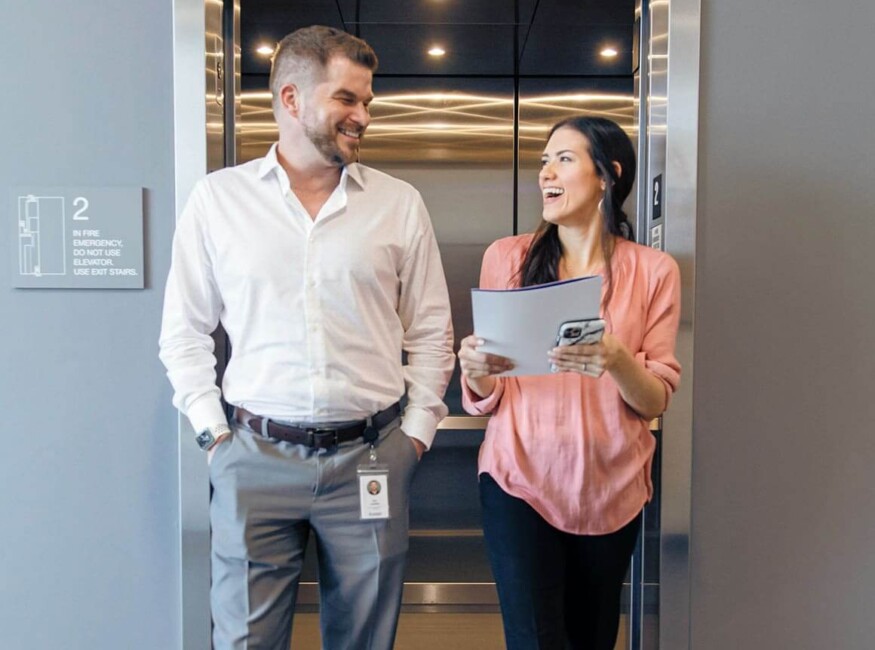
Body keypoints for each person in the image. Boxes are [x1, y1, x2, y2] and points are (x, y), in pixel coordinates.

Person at [159, 25, 454, 650]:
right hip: (252, 455)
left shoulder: (398, 203)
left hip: (371, 458)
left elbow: (431, 331)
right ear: (291, 99)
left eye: (367, 102)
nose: (362, 116)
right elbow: (183, 333)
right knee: (244, 640)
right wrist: (215, 437)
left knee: (364, 640)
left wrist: (417, 436)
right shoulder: (219, 200)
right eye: (347, 99)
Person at [458, 116, 681, 650]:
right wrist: (476, 371)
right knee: (535, 639)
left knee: (592, 638)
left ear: (607, 175)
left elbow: (656, 399)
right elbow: (490, 395)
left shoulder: (654, 271)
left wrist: (618, 359)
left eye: (564, 158)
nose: (546, 173)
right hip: (519, 479)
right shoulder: (505, 258)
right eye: (543, 161)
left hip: (613, 487)